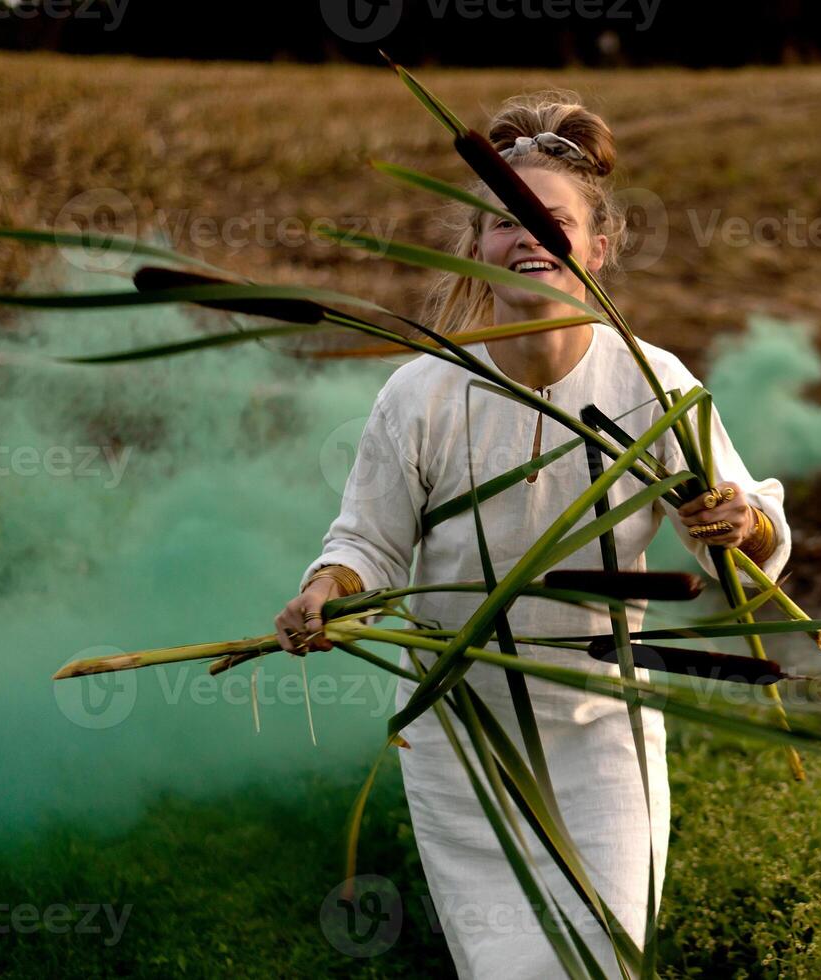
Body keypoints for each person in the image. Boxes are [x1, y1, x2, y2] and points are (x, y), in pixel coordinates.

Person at [273, 90, 792, 977]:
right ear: (477, 245)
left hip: (605, 730)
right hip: (460, 737)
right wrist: (325, 590)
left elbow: (743, 527)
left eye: (548, 221)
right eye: (501, 223)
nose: (525, 239)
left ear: (597, 244)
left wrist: (736, 522)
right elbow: (366, 542)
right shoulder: (423, 393)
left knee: (607, 960)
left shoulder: (653, 382)